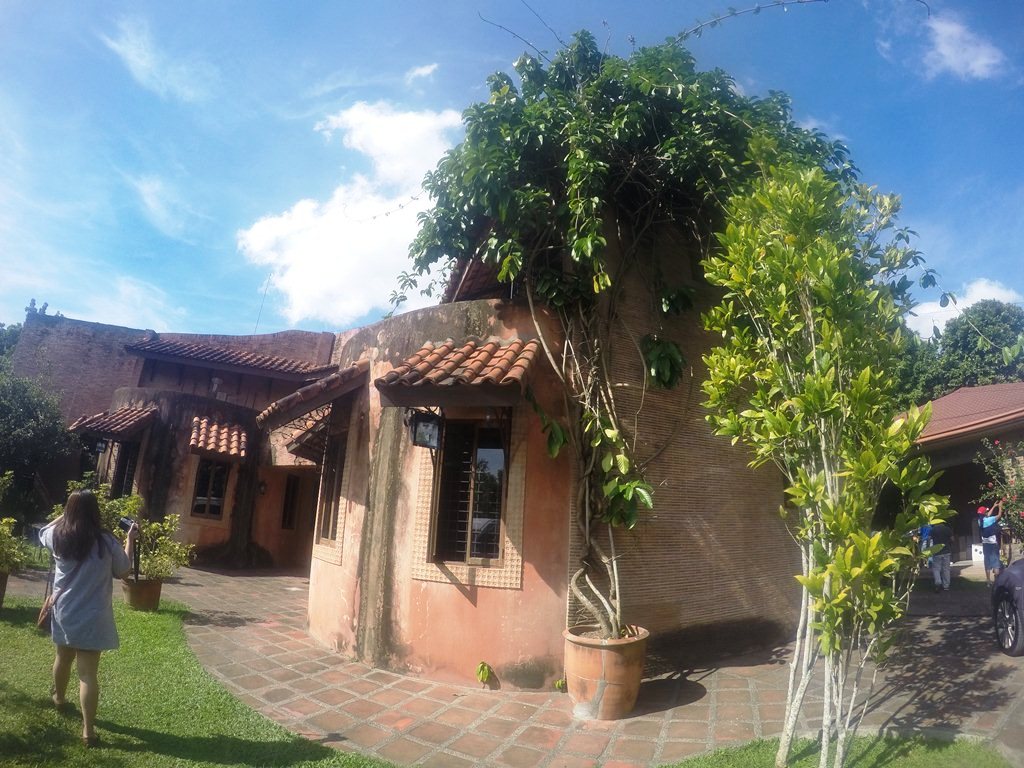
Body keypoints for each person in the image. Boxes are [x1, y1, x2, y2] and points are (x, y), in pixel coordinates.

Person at [39, 490, 137, 747]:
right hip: (94, 616)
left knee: (62, 657)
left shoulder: (58, 536)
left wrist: (65, 515)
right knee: (88, 674)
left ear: (68, 511)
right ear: (96, 512)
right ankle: (88, 732)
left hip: (66, 612)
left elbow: (40, 533)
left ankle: (59, 699)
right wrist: (130, 538)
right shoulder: (106, 541)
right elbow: (124, 570)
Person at [979, 500, 1005, 586]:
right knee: (996, 562)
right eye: (986, 511)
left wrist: (994, 506)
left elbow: (987, 515)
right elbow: (999, 516)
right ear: (985, 513)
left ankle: (988, 581)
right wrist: (1000, 507)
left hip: (985, 545)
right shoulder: (990, 520)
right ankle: (997, 582)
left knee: (987, 562)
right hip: (993, 544)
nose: (987, 511)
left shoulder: (980, 521)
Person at [929, 520, 954, 592]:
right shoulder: (947, 529)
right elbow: (952, 539)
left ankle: (938, 582)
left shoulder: (933, 530)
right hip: (946, 551)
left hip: (937, 551)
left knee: (936, 568)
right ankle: (946, 586)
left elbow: (929, 539)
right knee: (946, 569)